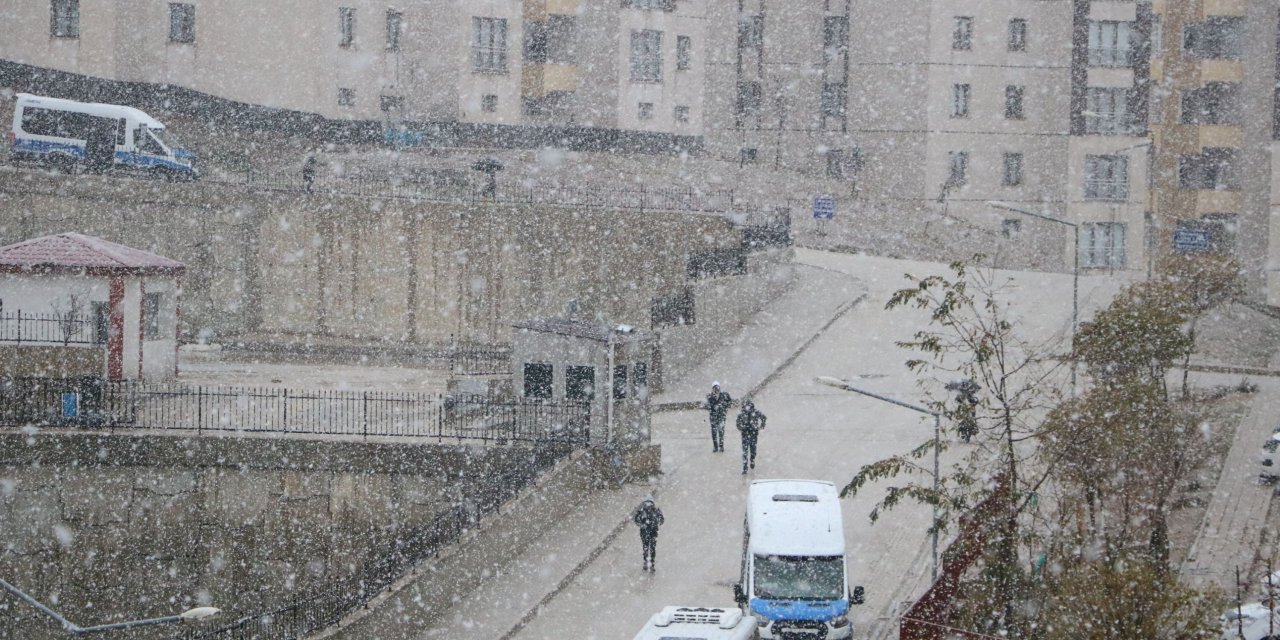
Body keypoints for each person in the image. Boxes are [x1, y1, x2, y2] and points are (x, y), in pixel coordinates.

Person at [632, 496, 664, 571]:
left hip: (652, 532)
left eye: (649, 503)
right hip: (647, 533)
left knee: (650, 548)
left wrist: (655, 523)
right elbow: (636, 520)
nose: (648, 504)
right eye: (647, 503)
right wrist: (643, 525)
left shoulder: (655, 510)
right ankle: (647, 563)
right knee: (647, 548)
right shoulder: (642, 511)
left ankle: (650, 563)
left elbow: (661, 520)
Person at [736, 399, 766, 474]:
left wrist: (761, 426)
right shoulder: (741, 414)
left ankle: (752, 460)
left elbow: (764, 417)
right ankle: (745, 467)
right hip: (745, 435)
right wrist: (741, 428)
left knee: (753, 451)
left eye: (748, 406)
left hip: (753, 434)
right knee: (745, 452)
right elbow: (737, 423)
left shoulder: (755, 412)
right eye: (746, 406)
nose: (747, 408)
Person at [705, 382, 732, 452]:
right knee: (714, 433)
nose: (716, 389)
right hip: (713, 418)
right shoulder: (709, 396)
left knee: (721, 432)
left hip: (721, 417)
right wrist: (712, 407)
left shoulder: (724, 395)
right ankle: (715, 446)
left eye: (717, 387)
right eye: (714, 388)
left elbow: (730, 403)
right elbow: (705, 405)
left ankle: (721, 445)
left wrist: (723, 406)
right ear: (712, 388)